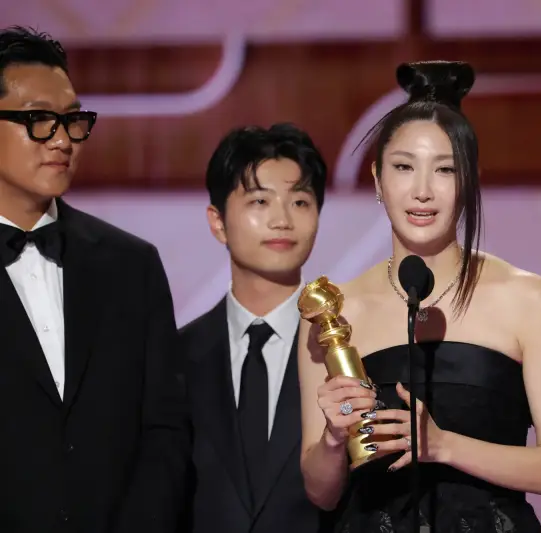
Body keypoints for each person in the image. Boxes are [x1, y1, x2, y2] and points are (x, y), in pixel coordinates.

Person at [297, 60, 541, 533]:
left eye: (445, 170)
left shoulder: (526, 297)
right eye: (404, 167)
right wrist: (334, 438)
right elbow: (321, 493)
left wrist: (443, 445)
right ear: (376, 179)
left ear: (470, 180)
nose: (423, 191)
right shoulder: (332, 310)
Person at [0, 26, 189, 533]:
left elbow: (165, 433)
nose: (63, 140)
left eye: (73, 120)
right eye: (39, 120)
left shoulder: (132, 265)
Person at [179, 124, 333, 533]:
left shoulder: (346, 347)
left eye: (300, 202)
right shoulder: (174, 356)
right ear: (218, 222)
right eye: (260, 201)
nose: (282, 220)